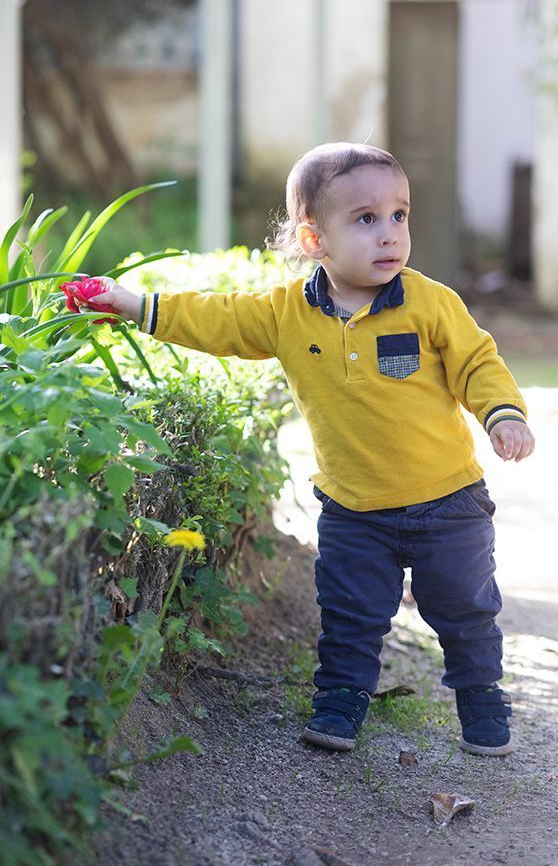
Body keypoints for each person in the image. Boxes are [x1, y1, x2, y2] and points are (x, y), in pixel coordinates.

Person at [89, 142, 535, 757]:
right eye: (365, 218)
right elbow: (219, 319)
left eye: (399, 215)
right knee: (350, 615)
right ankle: (340, 703)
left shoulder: (431, 302)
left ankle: (481, 697)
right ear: (313, 237)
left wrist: (502, 414)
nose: (390, 235)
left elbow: (478, 363)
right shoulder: (286, 314)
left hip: (448, 503)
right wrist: (135, 305)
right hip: (354, 510)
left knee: (466, 611)